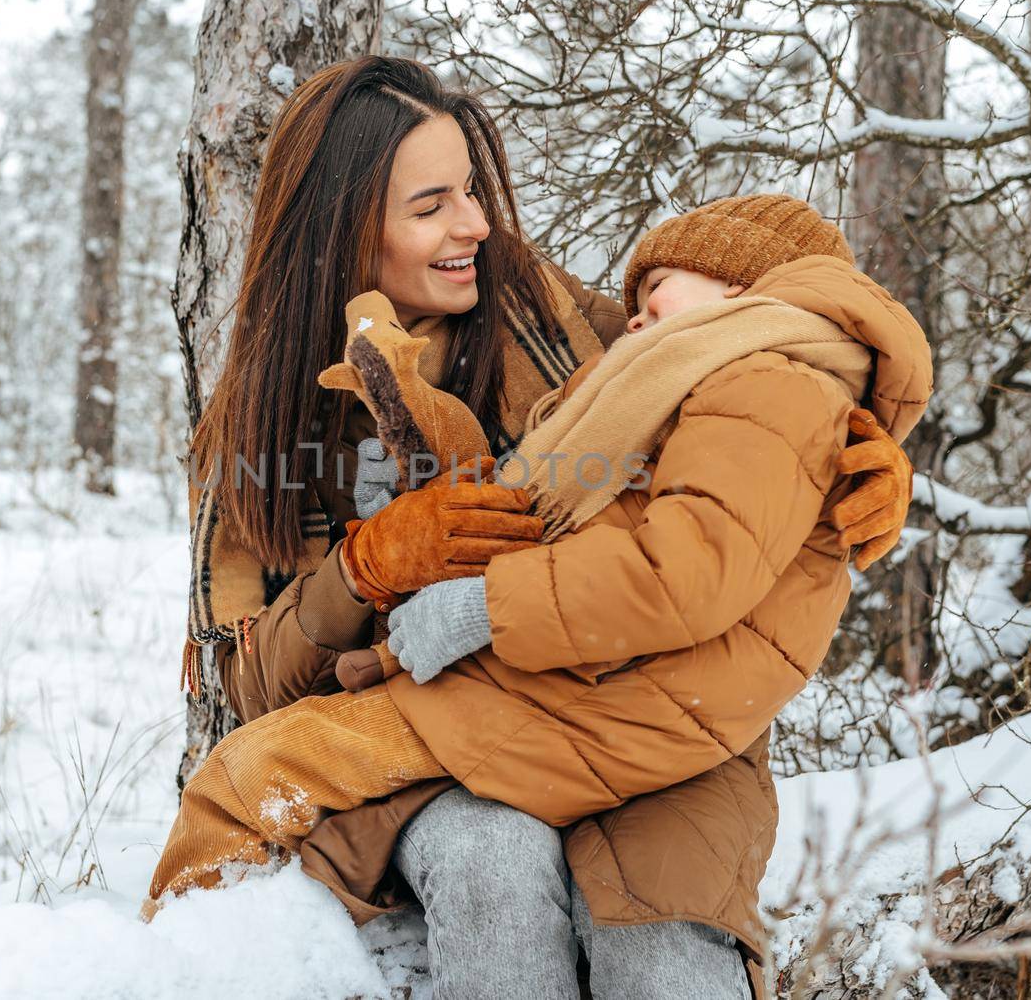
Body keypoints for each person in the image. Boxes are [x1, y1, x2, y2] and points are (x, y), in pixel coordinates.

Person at [175, 56, 917, 999]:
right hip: (434, 738)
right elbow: (248, 683)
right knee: (494, 860)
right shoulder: (265, 418)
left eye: (473, 190)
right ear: (344, 228)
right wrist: (363, 569)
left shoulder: (539, 311)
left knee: (663, 936)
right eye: (432, 203)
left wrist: (853, 457)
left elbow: (733, 371)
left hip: (646, 715)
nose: (476, 224)